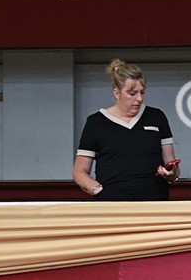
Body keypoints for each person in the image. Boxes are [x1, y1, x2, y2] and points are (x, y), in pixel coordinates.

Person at [73, 59, 179, 201]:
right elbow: (79, 171)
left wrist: (171, 174)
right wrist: (99, 191)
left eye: (142, 92)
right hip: (112, 204)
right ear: (117, 93)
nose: (139, 98)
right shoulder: (96, 122)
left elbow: (172, 165)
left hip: (154, 202)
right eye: (132, 93)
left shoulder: (157, 117)